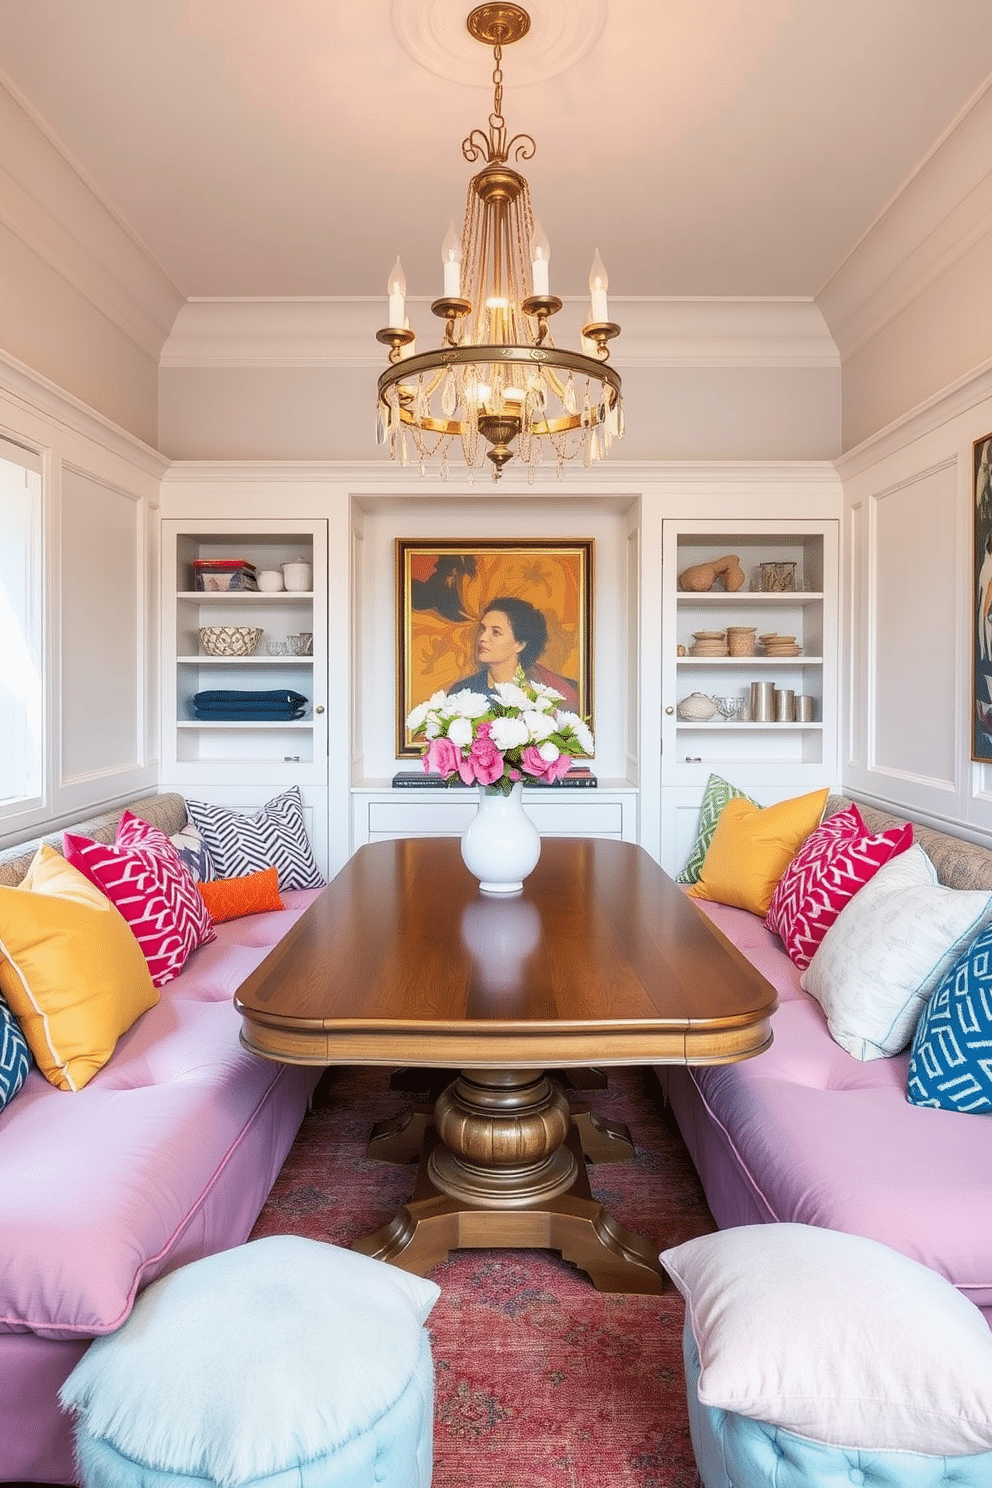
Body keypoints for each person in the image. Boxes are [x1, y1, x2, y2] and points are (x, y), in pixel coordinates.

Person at [449, 595, 580, 711]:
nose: (482, 638)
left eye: (496, 632)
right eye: (483, 630)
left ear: (520, 644)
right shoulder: (462, 691)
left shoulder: (549, 691)